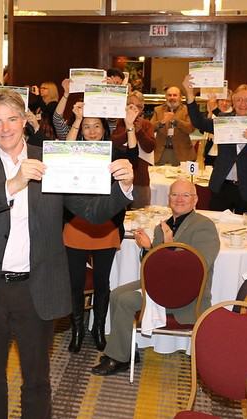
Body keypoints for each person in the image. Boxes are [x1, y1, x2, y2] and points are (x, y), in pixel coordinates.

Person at [0, 88, 135, 418]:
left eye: (11, 119)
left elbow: (92, 211)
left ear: (24, 120)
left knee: (37, 379)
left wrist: (123, 186)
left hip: (35, 287)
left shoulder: (52, 159)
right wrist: (13, 183)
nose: (5, 128)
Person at [93, 180, 220, 376]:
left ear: (195, 199)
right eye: (174, 195)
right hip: (162, 285)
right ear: (168, 198)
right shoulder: (163, 227)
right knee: (116, 294)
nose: (179, 199)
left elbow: (199, 266)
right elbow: (152, 268)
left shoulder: (204, 226)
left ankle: (118, 357)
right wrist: (148, 248)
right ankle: (126, 349)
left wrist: (170, 245)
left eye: (185, 195)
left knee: (126, 301)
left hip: (186, 294)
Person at [62, 100, 137, 353]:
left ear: (104, 129)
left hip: (105, 226)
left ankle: (98, 329)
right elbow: (64, 152)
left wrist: (129, 126)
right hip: (76, 226)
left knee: (102, 282)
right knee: (75, 282)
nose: (92, 131)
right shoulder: (75, 152)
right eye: (87, 127)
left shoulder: (113, 152)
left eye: (96, 126)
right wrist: (75, 120)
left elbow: (133, 161)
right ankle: (78, 329)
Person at [184, 76, 247, 213]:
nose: (242, 104)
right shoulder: (223, 121)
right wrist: (189, 94)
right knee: (217, 227)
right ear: (233, 101)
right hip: (221, 186)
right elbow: (198, 122)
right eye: (239, 99)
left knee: (245, 230)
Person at [114, 91, 156, 209]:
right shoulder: (117, 123)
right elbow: (113, 142)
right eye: (130, 104)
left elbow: (150, 148)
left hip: (140, 180)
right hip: (118, 178)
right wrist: (129, 129)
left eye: (138, 106)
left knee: (141, 216)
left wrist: (139, 132)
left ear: (142, 109)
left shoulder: (146, 125)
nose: (133, 108)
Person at [150, 86, 195, 166]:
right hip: (161, 153)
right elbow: (150, 128)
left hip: (182, 154)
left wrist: (175, 120)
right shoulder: (158, 110)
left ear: (180, 97)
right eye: (169, 95)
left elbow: (191, 128)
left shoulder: (187, 110)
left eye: (175, 95)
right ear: (166, 97)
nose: (172, 97)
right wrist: (162, 122)